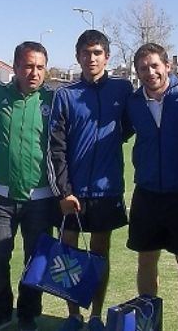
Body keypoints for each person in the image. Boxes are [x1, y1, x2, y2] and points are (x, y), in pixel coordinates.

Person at [48, 30, 133, 331]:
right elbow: (55, 147)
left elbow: (130, 125)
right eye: (86, 52)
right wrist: (63, 190)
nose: (92, 58)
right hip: (73, 191)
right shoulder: (65, 94)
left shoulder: (123, 90)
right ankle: (74, 315)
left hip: (106, 190)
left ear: (106, 56)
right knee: (69, 253)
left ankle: (96, 315)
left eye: (97, 52)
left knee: (100, 253)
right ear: (78, 57)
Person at [126, 43, 178, 331]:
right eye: (143, 68)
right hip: (146, 193)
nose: (150, 72)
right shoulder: (133, 102)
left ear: (167, 66)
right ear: (136, 72)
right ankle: (149, 324)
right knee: (146, 260)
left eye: (154, 66)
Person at [0, 42, 55, 331]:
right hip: (2, 196)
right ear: (15, 67)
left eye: (39, 67)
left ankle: (28, 314)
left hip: (41, 200)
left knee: (35, 260)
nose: (33, 72)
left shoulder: (54, 99)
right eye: (27, 66)